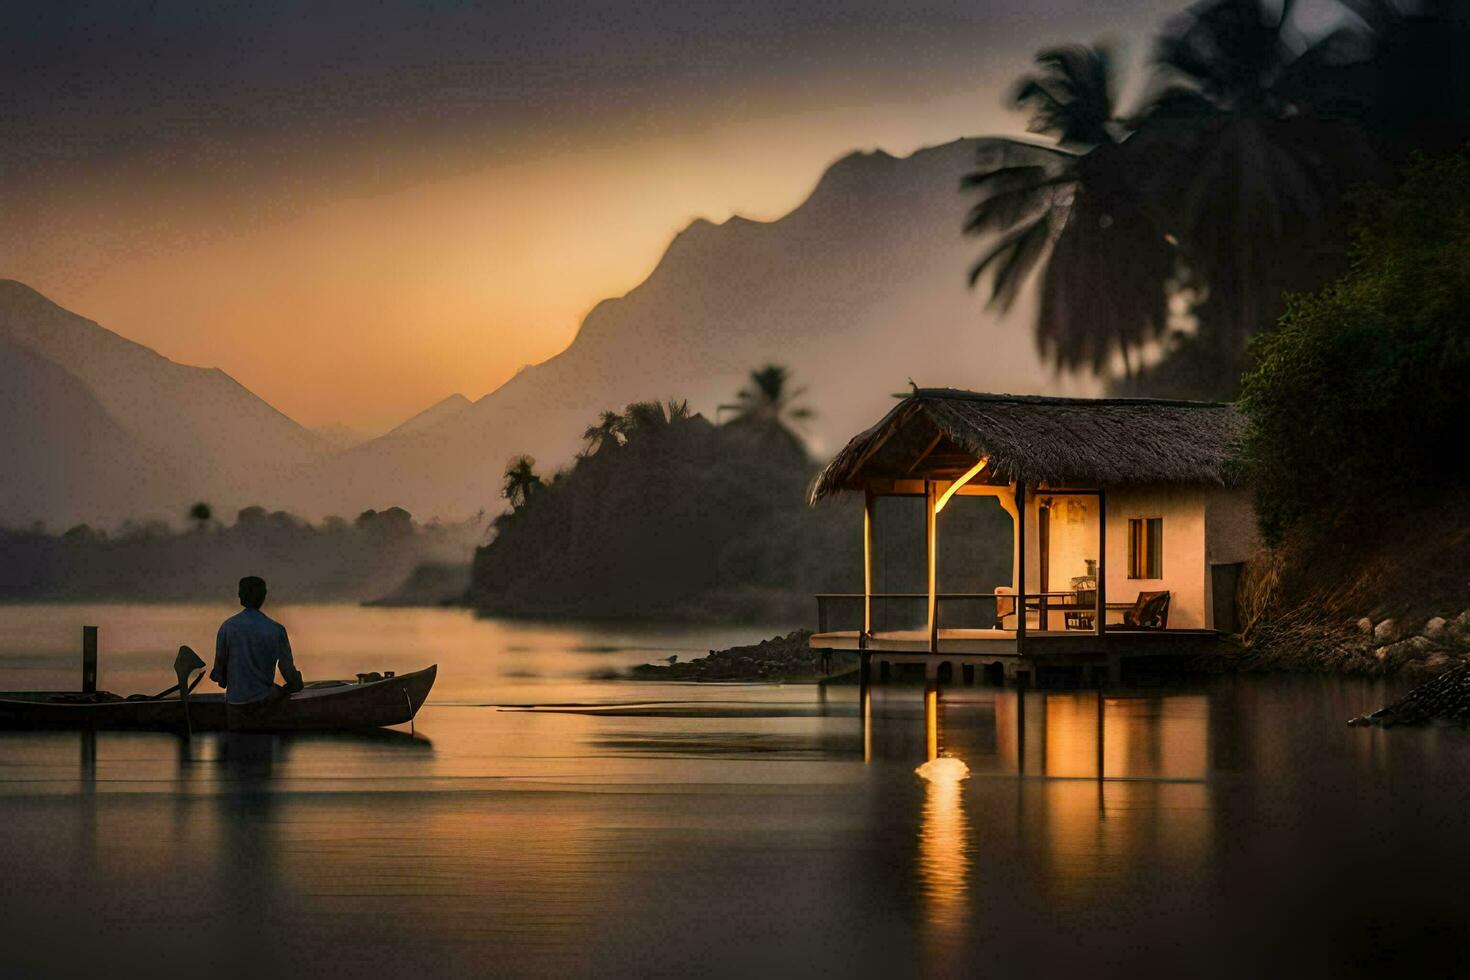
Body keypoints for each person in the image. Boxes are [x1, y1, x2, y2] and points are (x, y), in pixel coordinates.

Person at [211, 576, 303, 729]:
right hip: (264, 701)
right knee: (285, 688)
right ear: (263, 596)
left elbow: (220, 677)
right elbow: (288, 671)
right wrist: (295, 683)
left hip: (234, 704)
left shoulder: (227, 627)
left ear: (240, 596)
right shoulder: (276, 629)